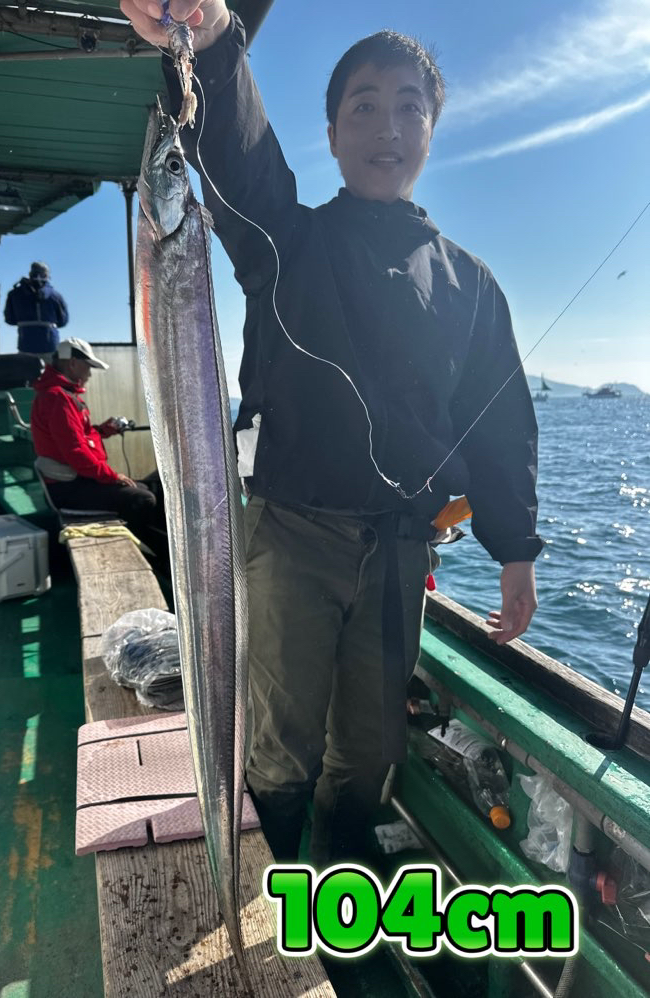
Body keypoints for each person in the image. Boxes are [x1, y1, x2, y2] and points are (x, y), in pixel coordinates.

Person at [121, 1, 542, 866]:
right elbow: (240, 155)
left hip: (399, 552)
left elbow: (502, 426)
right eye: (363, 106)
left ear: (431, 130)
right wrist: (211, 38)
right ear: (331, 133)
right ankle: (268, 873)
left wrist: (515, 552)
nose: (387, 127)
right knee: (278, 745)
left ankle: (340, 867)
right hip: (290, 537)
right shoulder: (285, 239)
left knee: (372, 744)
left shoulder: (472, 285)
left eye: (408, 108)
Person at [30, 337, 170, 579]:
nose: (89, 374)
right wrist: (112, 476)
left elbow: (79, 437)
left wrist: (104, 430)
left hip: (77, 481)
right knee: (143, 500)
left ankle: (157, 550)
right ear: (73, 363)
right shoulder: (58, 399)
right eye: (88, 367)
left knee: (149, 487)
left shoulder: (61, 396)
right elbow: (76, 452)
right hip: (67, 489)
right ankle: (149, 557)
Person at [5, 261, 69, 357]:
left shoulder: (14, 294)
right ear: (46, 276)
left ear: (30, 274)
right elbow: (63, 321)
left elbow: (9, 319)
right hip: (50, 345)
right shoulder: (55, 296)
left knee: (26, 367)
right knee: (51, 366)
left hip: (25, 345)